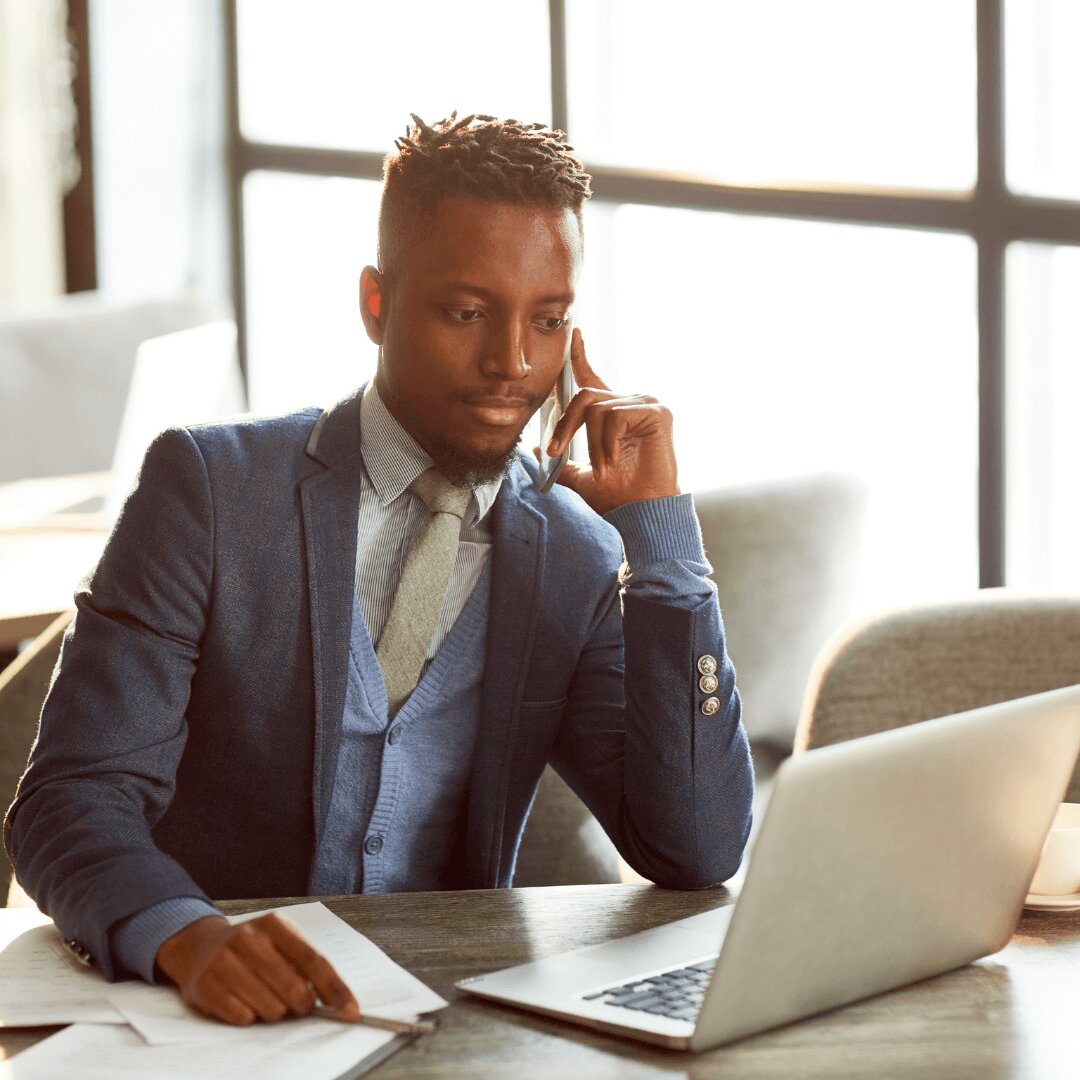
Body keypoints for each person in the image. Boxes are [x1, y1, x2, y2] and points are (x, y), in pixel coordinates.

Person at [6, 113, 753, 1026]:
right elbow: (70, 801)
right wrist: (186, 936)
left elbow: (697, 847)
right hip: (196, 1024)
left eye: (547, 321)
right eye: (467, 313)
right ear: (374, 303)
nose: (511, 365)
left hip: (441, 1029)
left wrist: (663, 545)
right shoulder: (209, 492)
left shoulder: (575, 553)